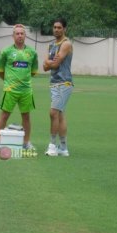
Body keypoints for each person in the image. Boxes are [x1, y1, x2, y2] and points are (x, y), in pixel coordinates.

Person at [0, 24, 38, 150]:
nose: (20, 36)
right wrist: (8, 81)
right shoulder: (6, 52)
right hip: (10, 90)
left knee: (26, 116)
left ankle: (26, 142)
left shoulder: (32, 52)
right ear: (13, 36)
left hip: (26, 90)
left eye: (22, 33)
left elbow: (33, 72)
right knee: (4, 116)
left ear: (25, 35)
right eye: (17, 33)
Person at [43, 18, 73, 157]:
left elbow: (54, 65)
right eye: (54, 27)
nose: (56, 29)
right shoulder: (51, 45)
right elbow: (44, 67)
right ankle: (64, 148)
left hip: (64, 83)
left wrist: (49, 62)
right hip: (54, 83)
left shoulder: (66, 44)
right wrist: (49, 62)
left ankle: (52, 146)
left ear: (64, 29)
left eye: (59, 27)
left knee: (53, 113)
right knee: (60, 115)